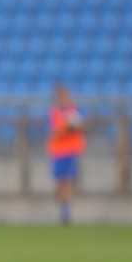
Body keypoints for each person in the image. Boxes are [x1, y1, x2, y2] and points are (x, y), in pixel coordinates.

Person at [46, 84, 85, 224]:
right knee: (59, 182)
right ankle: (62, 206)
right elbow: (53, 131)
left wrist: (74, 125)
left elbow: (81, 126)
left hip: (70, 150)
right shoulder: (54, 112)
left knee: (68, 180)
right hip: (57, 151)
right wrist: (66, 127)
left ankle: (66, 209)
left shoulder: (74, 110)